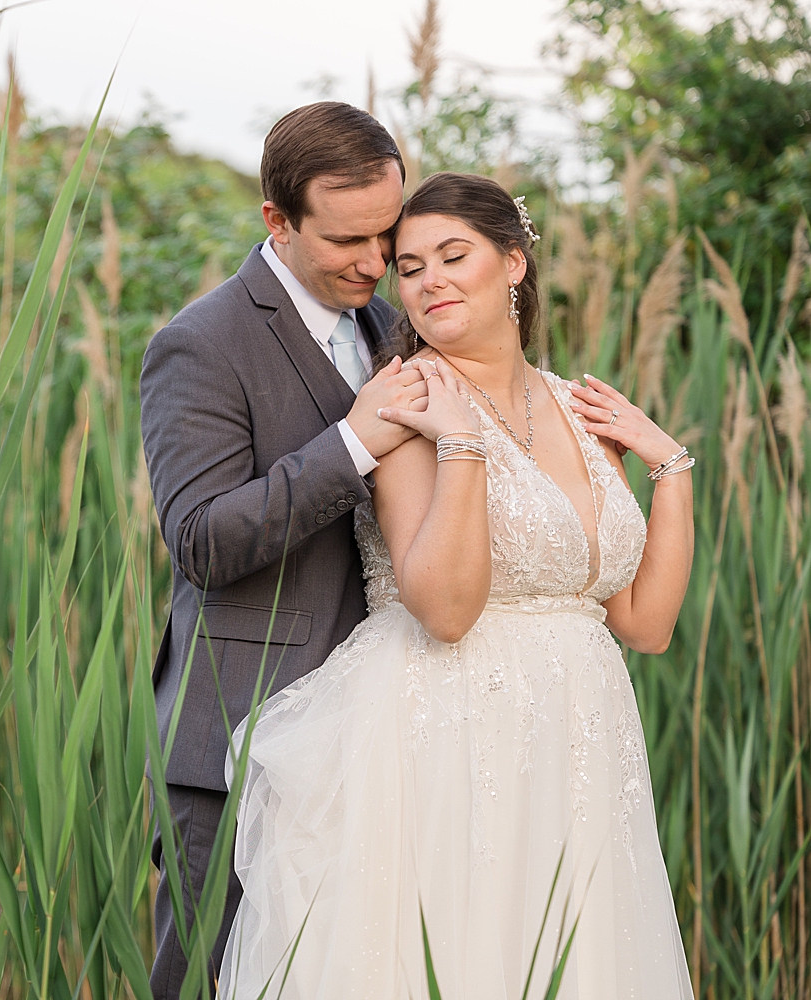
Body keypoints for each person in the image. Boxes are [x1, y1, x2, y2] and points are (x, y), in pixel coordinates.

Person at [219, 172, 695, 999]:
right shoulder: (407, 403)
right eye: (410, 266)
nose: (429, 279)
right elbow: (443, 609)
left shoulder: (576, 407)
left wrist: (672, 468)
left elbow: (644, 624)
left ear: (512, 264)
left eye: (452, 255)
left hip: (579, 743)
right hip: (446, 735)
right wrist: (462, 447)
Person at [139, 101, 430, 999]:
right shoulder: (201, 343)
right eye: (349, 241)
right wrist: (352, 441)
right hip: (241, 737)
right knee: (209, 979)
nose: (376, 263)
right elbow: (200, 541)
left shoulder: (397, 328)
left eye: (388, 234)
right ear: (277, 221)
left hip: (384, 730)